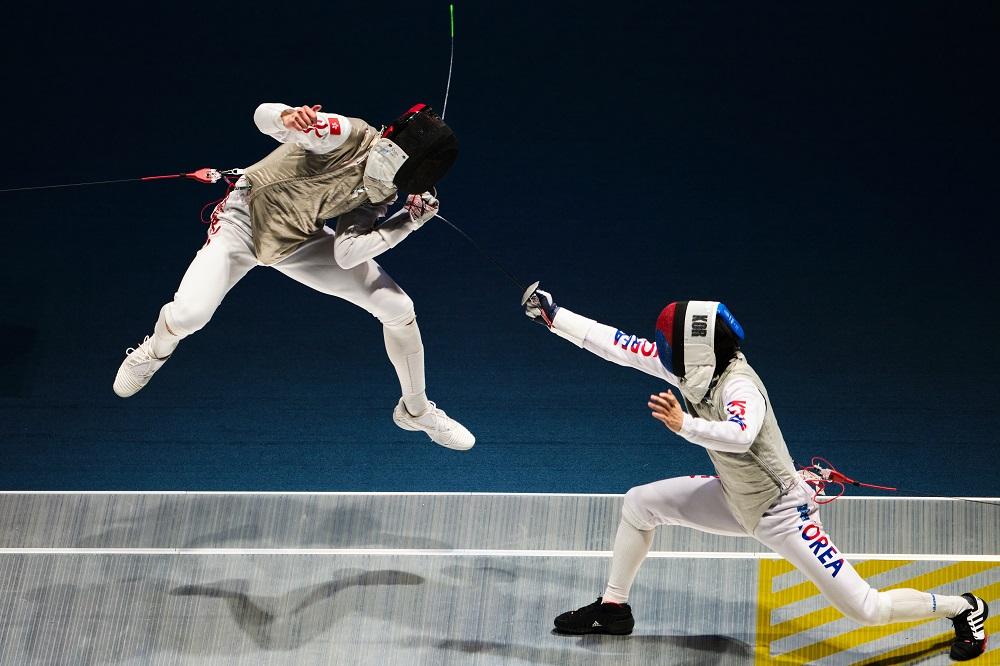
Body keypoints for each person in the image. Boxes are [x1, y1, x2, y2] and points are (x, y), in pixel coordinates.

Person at [523, 289, 989, 661]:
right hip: (734, 498)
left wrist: (685, 425)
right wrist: (553, 315)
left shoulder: (740, 387)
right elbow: (616, 345)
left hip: (785, 515)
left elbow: (741, 435)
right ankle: (613, 607)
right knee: (639, 504)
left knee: (867, 609)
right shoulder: (690, 367)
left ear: (697, 352)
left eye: (671, 346)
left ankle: (965, 608)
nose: (663, 353)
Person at [113, 102, 475, 451]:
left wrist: (407, 222)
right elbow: (262, 116)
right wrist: (286, 116)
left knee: (398, 308)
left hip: (298, 240)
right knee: (189, 316)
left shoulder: (385, 188)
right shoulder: (344, 133)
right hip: (242, 225)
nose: (393, 179)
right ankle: (154, 352)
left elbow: (347, 253)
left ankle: (416, 410)